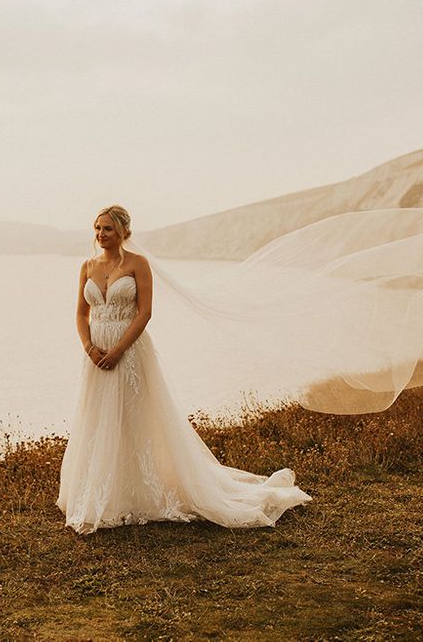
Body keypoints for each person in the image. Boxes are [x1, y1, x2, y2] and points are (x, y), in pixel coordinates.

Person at [56, 205, 313, 534]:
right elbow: (80, 314)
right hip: (96, 352)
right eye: (96, 228)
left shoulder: (138, 264)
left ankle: (139, 490)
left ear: (123, 232)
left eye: (107, 229)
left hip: (129, 351)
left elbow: (144, 313)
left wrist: (119, 350)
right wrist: (90, 348)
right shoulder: (87, 267)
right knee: (98, 416)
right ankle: (103, 490)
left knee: (135, 417)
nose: (100, 235)